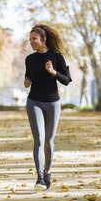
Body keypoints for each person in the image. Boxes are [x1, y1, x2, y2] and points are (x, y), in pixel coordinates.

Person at [24, 24, 72, 191]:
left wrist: (53, 72)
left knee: (49, 140)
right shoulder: (30, 59)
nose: (31, 42)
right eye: (30, 39)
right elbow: (28, 76)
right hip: (34, 102)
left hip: (53, 102)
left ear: (43, 40)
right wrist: (26, 81)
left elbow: (66, 80)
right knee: (38, 140)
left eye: (34, 39)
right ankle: (39, 178)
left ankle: (47, 172)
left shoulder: (56, 57)